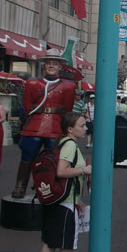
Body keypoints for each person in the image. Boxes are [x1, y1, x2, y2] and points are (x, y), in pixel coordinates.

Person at [38, 111, 91, 252]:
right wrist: (84, 169)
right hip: (65, 203)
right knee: (66, 245)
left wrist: (78, 200)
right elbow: (62, 171)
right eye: (81, 126)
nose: (85, 128)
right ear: (70, 129)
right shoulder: (70, 145)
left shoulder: (61, 143)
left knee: (49, 243)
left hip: (55, 200)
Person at [12, 50, 76, 198]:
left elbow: (67, 109)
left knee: (53, 159)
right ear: (44, 66)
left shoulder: (68, 86)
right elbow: (27, 106)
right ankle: (20, 186)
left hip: (55, 126)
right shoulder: (32, 83)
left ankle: (50, 189)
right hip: (35, 124)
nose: (51, 66)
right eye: (49, 63)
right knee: (27, 156)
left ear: (60, 67)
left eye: (55, 64)